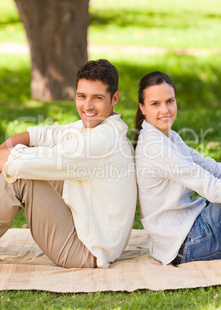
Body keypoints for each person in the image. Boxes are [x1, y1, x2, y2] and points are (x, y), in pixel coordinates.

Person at [0, 59, 137, 269]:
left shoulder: (101, 140)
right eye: (82, 96)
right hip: (87, 230)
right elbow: (41, 135)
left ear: (114, 98)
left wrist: (6, 156)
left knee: (21, 176)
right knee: (21, 161)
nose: (87, 106)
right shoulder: (97, 126)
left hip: (86, 251)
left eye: (97, 98)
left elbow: (24, 163)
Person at [134, 71, 221, 266]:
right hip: (191, 246)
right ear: (142, 108)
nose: (165, 110)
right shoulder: (156, 148)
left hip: (184, 236)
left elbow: (212, 168)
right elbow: (215, 191)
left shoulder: (167, 136)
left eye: (170, 101)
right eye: (155, 104)